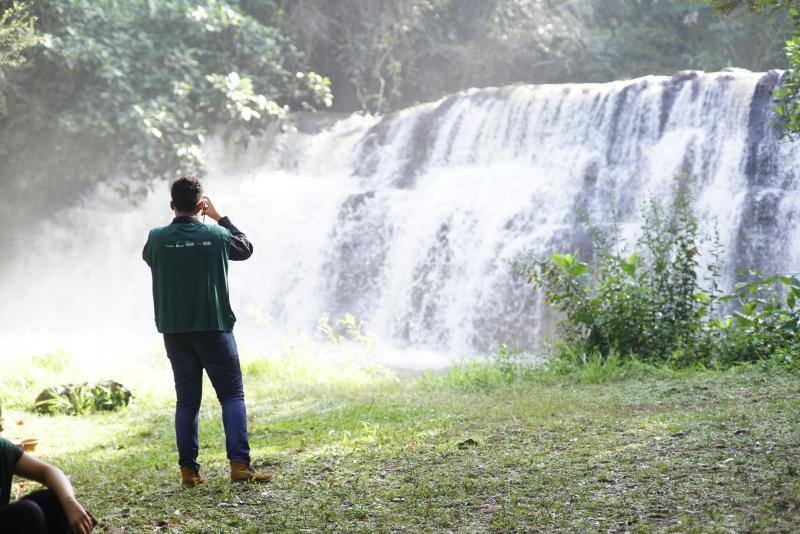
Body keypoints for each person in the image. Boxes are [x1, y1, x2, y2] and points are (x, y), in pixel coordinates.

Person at [142, 176, 273, 486]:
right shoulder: (216, 236)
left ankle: (189, 472)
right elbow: (245, 248)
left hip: (174, 331)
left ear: (172, 205)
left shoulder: (156, 239)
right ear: (201, 205)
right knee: (231, 396)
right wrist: (219, 217)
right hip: (214, 328)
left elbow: (150, 258)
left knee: (187, 401)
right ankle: (239, 466)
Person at [0, 408, 95, 533]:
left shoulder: (3, 449)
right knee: (27, 513)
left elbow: (48, 472)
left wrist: (69, 501)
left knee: (55, 500)